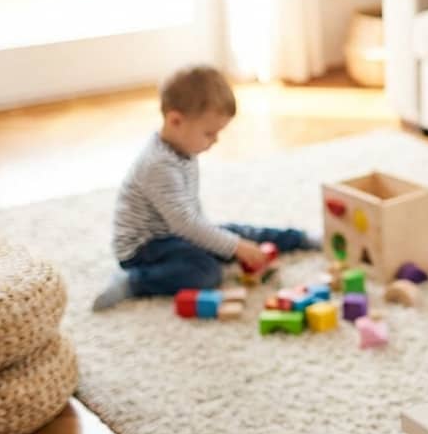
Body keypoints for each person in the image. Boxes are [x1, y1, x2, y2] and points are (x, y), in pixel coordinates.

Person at [92, 65, 317, 310]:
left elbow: (191, 217)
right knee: (205, 272)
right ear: (175, 120)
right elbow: (186, 224)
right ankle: (133, 283)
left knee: (239, 232)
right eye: (209, 133)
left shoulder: (182, 147)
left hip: (178, 233)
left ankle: (300, 238)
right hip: (145, 249)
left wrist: (227, 241)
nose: (215, 141)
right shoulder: (158, 165)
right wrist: (234, 247)